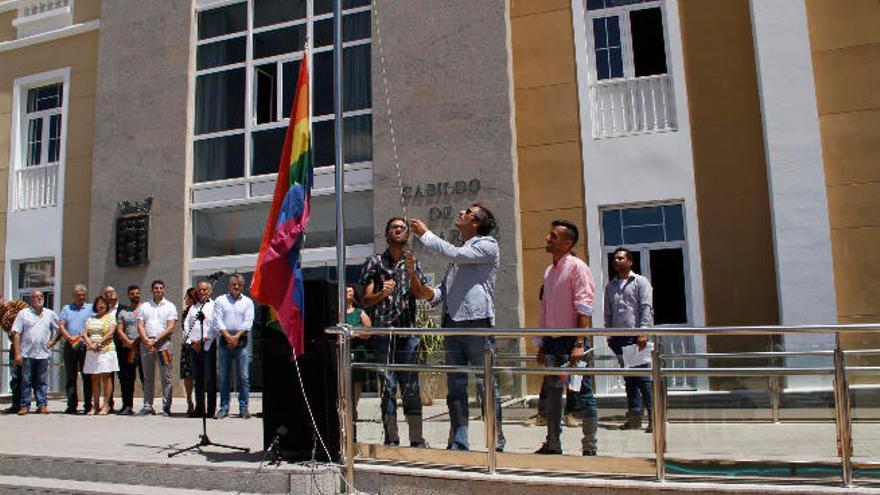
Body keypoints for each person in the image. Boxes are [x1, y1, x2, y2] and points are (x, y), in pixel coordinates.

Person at [409, 203, 506, 452]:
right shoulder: (460, 251)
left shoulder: (486, 245)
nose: (460, 213)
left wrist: (425, 234)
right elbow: (442, 291)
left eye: (467, 212)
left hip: (476, 322)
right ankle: (460, 441)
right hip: (452, 323)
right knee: (456, 387)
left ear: (476, 223)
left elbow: (454, 255)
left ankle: (495, 439)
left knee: (486, 384)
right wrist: (423, 288)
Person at [360, 218, 432, 447]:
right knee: (388, 388)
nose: (399, 230)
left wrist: (411, 273)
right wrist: (382, 293)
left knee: (411, 387)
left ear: (407, 235)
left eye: (402, 228)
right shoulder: (374, 262)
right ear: (387, 234)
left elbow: (421, 294)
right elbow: (366, 299)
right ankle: (391, 438)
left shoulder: (412, 262)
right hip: (383, 334)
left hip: (408, 332)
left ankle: (416, 439)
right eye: (394, 227)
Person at [533, 220, 598, 455]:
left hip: (572, 342)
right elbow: (545, 309)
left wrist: (579, 343)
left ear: (567, 243)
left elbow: (584, 307)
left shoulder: (578, 267)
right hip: (552, 342)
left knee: (583, 391)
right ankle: (553, 443)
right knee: (552, 392)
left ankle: (589, 447)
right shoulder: (549, 271)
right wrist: (541, 343)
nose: (547, 239)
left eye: (553, 236)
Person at [605, 247, 654, 430]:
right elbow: (608, 313)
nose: (616, 261)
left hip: (636, 337)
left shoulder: (640, 282)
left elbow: (646, 308)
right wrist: (609, 335)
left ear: (630, 261)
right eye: (615, 259)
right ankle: (634, 418)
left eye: (620, 258)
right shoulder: (611, 286)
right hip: (618, 339)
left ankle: (654, 418)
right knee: (630, 380)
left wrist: (643, 332)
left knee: (642, 379)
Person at [213, 274, 254, 419]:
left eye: (239, 285)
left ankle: (244, 408)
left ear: (243, 286)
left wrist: (235, 337)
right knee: (224, 377)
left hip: (241, 341)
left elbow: (248, 322)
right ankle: (224, 408)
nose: (236, 287)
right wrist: (228, 336)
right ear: (229, 285)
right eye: (234, 284)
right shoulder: (220, 300)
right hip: (225, 341)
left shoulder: (248, 302)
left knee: (244, 377)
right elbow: (217, 320)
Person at [11, 291, 57, 415]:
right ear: (31, 299)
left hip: (43, 353)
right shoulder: (23, 313)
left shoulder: (50, 314)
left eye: (41, 296)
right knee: (26, 381)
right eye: (36, 297)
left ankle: (42, 405)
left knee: (41, 381)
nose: (39, 298)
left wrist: (52, 341)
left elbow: (60, 329)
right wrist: (17, 353)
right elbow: (16, 334)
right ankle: (25, 406)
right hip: (27, 354)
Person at [136, 280, 178, 416]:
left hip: (163, 344)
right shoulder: (145, 306)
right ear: (151, 290)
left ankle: (166, 407)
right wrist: (147, 340)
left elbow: (171, 326)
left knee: (166, 376)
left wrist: (156, 340)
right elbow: (140, 325)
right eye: (155, 288)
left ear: (164, 290)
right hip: (147, 344)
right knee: (148, 377)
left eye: (160, 288)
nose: (158, 290)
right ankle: (147, 406)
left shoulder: (170, 306)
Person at [58, 284, 94, 414]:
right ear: (74, 296)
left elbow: (94, 322)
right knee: (71, 376)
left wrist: (84, 336)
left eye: (83, 295)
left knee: (87, 376)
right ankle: (72, 405)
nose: (81, 297)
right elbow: (61, 325)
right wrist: (69, 337)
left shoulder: (90, 308)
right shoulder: (66, 308)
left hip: (84, 345)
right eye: (79, 295)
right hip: (70, 344)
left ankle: (88, 405)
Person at [185, 280, 217, 418]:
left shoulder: (214, 306)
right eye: (199, 290)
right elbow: (187, 325)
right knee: (198, 379)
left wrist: (203, 340)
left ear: (209, 291)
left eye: (205, 290)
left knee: (209, 379)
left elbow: (215, 326)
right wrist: (192, 342)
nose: (202, 292)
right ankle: (199, 408)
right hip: (194, 348)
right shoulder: (194, 308)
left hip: (207, 346)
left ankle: (210, 410)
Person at [83, 296, 119, 415]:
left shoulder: (111, 317)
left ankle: (106, 405)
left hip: (106, 350)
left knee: (106, 377)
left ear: (107, 305)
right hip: (92, 351)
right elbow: (84, 333)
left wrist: (98, 343)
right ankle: (96, 405)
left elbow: (110, 334)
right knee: (94, 378)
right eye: (98, 303)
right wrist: (90, 344)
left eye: (103, 303)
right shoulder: (90, 318)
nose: (101, 305)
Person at [345, 284, 372, 421]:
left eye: (350, 290)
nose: (348, 292)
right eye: (346, 290)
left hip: (357, 351)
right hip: (342, 352)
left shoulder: (359, 312)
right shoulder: (338, 312)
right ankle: (343, 409)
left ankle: (353, 407)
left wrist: (355, 333)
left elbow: (369, 331)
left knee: (356, 382)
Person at [115, 285, 143, 415]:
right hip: (129, 349)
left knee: (145, 378)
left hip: (143, 348)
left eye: (137, 293)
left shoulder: (145, 309)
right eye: (132, 293)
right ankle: (127, 406)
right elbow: (119, 330)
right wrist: (129, 342)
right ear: (128, 295)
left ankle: (148, 406)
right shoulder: (123, 312)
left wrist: (137, 342)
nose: (135, 295)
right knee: (128, 378)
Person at [103, 286, 120, 412]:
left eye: (112, 292)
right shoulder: (103, 310)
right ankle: (109, 403)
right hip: (107, 346)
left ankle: (127, 405)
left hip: (121, 345)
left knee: (124, 376)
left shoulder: (123, 308)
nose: (110, 294)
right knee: (108, 376)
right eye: (107, 293)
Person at [180, 287, 197, 416]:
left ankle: (199, 403)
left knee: (198, 375)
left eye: (187, 297)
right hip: (187, 346)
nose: (185, 299)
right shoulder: (186, 312)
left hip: (197, 345)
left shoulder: (198, 310)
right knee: (188, 376)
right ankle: (189, 402)